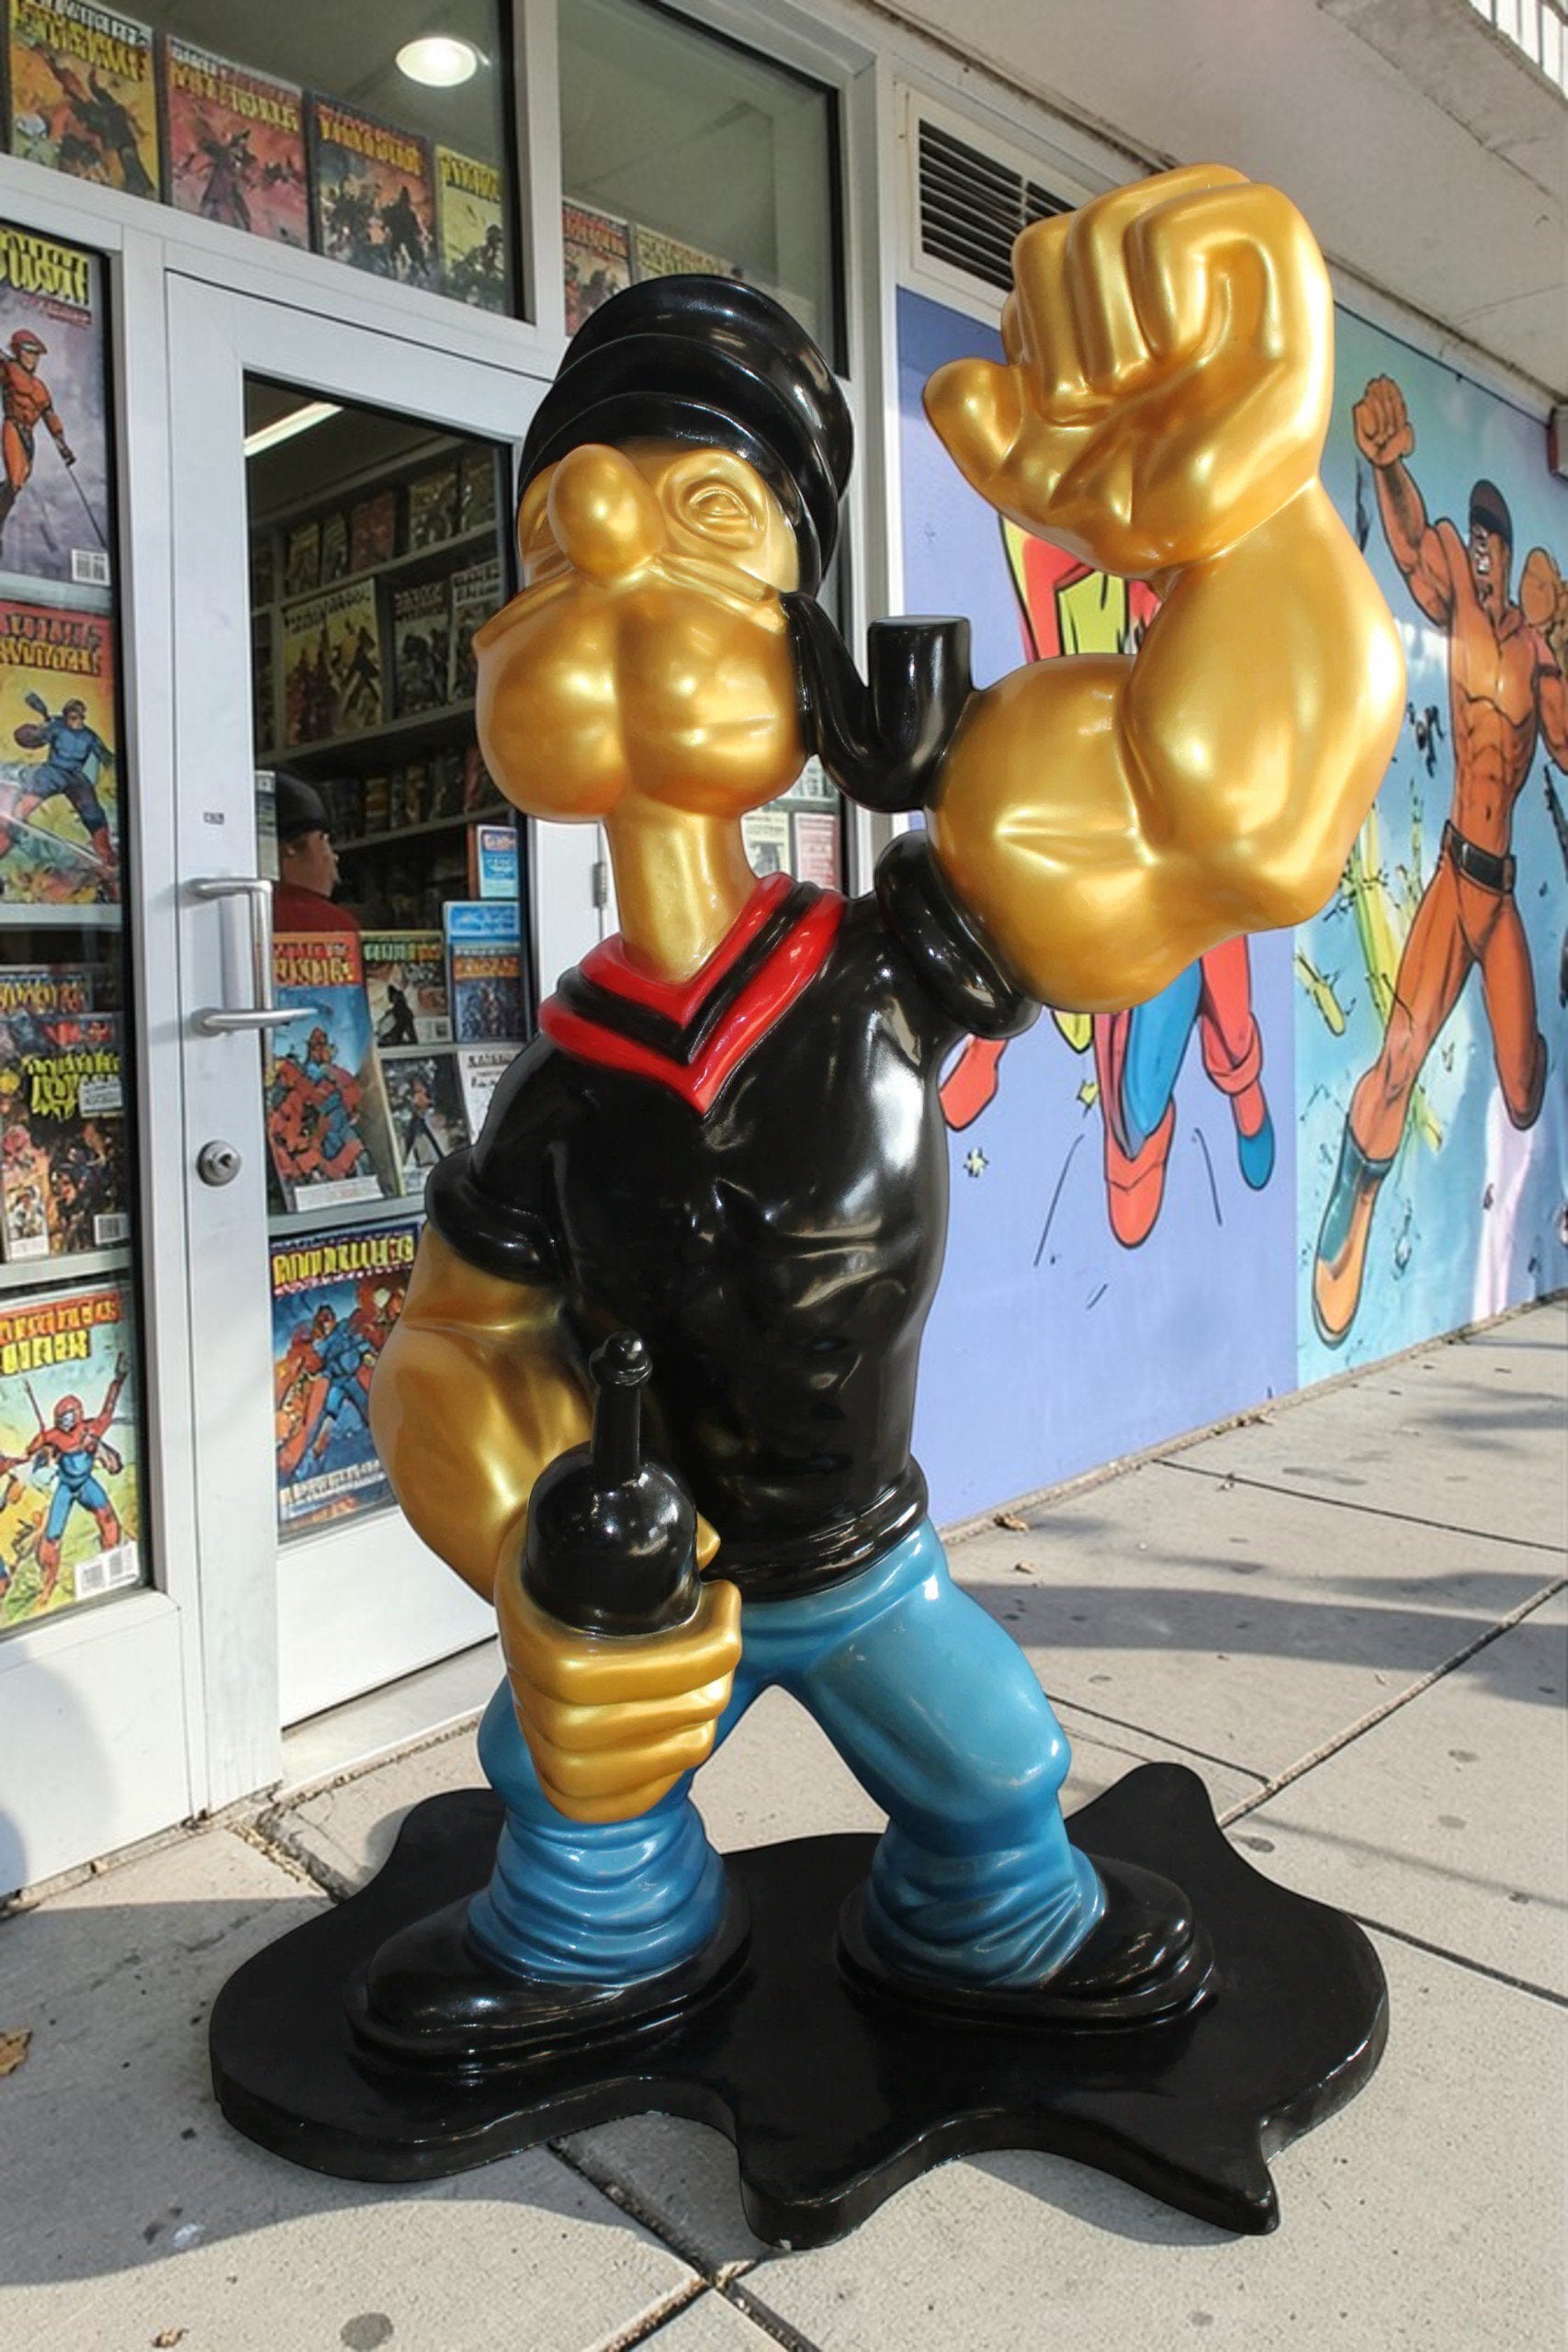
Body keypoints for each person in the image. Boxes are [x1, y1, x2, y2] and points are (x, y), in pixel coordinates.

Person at [362, 169, 1403, 2057]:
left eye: (707, 517)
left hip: (861, 1557)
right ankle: (603, 1925)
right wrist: (537, 1551)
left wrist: (1243, 523)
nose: (612, 559)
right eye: (562, 532)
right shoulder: (563, 1090)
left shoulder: (892, 969)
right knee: (565, 1776)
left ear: (818, 652)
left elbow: (1221, 826)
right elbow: (453, 1345)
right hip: (656, 1605)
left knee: (993, 1764)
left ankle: (982, 1915)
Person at [1311, 376, 1568, 1346]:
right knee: (1399, 1056)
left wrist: (1560, 640)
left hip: (1503, 898)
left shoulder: (1534, 651)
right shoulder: (1455, 594)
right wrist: (1386, 467)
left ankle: (1534, 1060)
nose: (1484, 558)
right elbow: (1414, 547)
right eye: (1480, 543)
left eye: (1495, 545)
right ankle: (1353, 1205)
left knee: (1523, 1091)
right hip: (1457, 876)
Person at [0, 328, 75, 552]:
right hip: (13, 427)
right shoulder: (7, 371)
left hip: (28, 436)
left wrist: (62, 445)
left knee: (18, 482)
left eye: (36, 354)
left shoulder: (40, 388)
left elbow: (50, 416)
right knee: (15, 480)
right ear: (18, 351)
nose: (33, 358)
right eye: (29, 352)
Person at [270, 771, 358, 934]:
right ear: (291, 845)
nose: (334, 857)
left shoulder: (238, 914)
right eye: (324, 839)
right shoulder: (334, 924)